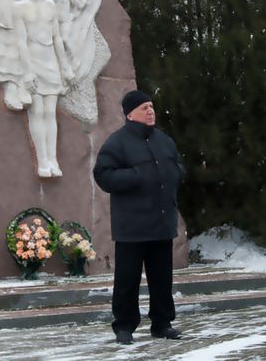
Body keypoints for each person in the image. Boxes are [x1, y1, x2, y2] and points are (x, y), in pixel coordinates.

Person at [93, 90, 186, 345]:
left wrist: (175, 174)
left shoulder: (164, 140)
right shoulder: (117, 142)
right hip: (131, 225)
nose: (150, 111)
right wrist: (135, 176)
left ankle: (162, 323)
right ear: (130, 113)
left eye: (152, 106)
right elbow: (103, 175)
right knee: (127, 280)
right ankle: (124, 326)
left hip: (161, 221)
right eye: (144, 107)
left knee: (162, 278)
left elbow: (178, 166)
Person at [13, 0, 74, 177]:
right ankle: (42, 161)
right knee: (37, 112)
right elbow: (21, 42)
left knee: (50, 114)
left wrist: (65, 67)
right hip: (33, 62)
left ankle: (53, 160)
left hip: (51, 64)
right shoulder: (19, 7)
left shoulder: (50, 6)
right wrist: (27, 72)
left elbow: (57, 38)